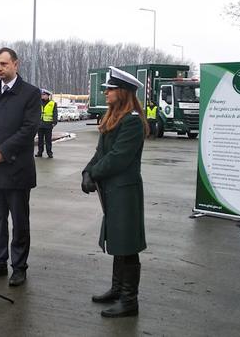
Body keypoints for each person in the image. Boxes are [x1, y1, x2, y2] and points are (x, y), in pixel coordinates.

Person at [81, 66, 148, 318]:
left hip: (125, 192)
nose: (106, 93)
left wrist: (94, 174)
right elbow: (101, 153)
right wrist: (86, 171)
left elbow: (119, 158)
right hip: (112, 191)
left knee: (127, 245)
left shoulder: (132, 121)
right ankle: (118, 289)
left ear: (123, 92)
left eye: (110, 89)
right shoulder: (113, 118)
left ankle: (130, 301)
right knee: (118, 241)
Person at [0, 47, 40, 287]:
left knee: (19, 223)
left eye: (3, 64)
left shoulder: (30, 94)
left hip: (16, 170)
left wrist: (3, 152)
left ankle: (19, 267)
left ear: (16, 65)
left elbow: (29, 128)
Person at [36, 89, 57, 158]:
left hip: (48, 124)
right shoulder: (38, 103)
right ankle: (40, 152)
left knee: (48, 140)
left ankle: (49, 153)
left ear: (48, 96)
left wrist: (54, 122)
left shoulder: (53, 103)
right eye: (42, 95)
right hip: (40, 124)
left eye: (44, 95)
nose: (42, 96)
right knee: (40, 140)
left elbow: (55, 113)